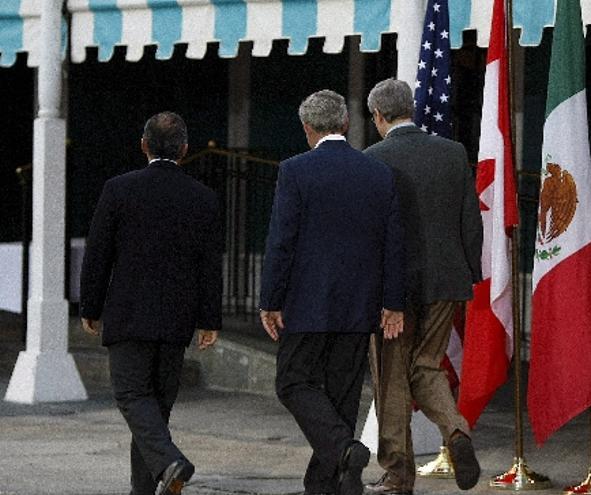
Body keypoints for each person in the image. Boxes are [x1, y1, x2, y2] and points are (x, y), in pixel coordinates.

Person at [259, 89, 407, 495]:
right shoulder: (377, 172)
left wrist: (270, 300)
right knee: (342, 393)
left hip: (305, 304)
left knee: (292, 382)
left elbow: (282, 241)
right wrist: (393, 302)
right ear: (345, 124)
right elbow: (393, 243)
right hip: (360, 304)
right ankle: (328, 483)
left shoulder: (294, 170)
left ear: (308, 129)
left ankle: (343, 449)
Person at [79, 112, 223, 495]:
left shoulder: (118, 190)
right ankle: (146, 486)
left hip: (128, 315)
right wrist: (210, 319)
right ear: (185, 149)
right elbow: (210, 264)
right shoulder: (203, 197)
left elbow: (98, 255)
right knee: (156, 408)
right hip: (177, 319)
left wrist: (89, 307)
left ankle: (169, 463)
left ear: (144, 145)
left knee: (132, 396)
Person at [363, 79, 483, 495]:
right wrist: (470, 274)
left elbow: (374, 232)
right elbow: (471, 219)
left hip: (395, 290)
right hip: (447, 280)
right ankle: (455, 430)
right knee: (426, 366)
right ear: (411, 109)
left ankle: (398, 476)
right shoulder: (453, 153)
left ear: (379, 116)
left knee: (392, 377)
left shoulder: (373, 158)